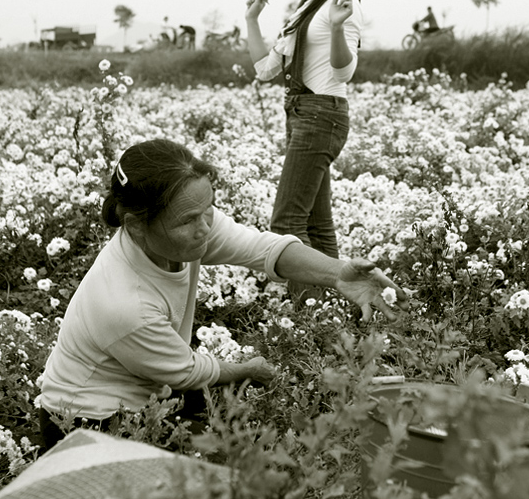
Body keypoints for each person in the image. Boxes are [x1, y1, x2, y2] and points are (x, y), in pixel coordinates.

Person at [39, 139, 407, 450]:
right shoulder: (123, 303)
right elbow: (186, 370)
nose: (204, 229)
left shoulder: (180, 232)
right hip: (85, 422)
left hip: (148, 394)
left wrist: (336, 274)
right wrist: (248, 370)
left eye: (208, 210)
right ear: (135, 225)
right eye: (188, 220)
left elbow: (263, 249)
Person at [245, 0, 365, 273]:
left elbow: (344, 72)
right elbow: (266, 70)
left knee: (286, 226)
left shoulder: (343, 1)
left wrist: (339, 27)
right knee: (316, 226)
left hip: (321, 112)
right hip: (301, 113)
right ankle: (330, 312)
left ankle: (306, 319)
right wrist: (252, 19)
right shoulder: (308, 3)